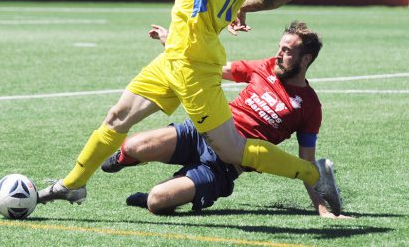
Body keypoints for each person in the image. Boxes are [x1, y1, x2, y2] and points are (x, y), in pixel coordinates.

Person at [38, 0, 341, 216]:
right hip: (172, 58)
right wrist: (242, 5)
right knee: (117, 118)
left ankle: (312, 173)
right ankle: (73, 184)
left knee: (233, 150)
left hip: (195, 65)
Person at [101, 22, 345, 218]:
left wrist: (322, 208)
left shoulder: (310, 107)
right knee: (132, 146)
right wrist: (171, 45)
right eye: (280, 48)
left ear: (305, 60)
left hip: (225, 165)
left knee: (156, 201)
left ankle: (168, 191)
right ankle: (126, 159)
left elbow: (308, 162)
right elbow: (213, 68)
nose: (278, 55)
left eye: (287, 51)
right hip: (204, 131)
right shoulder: (266, 67)